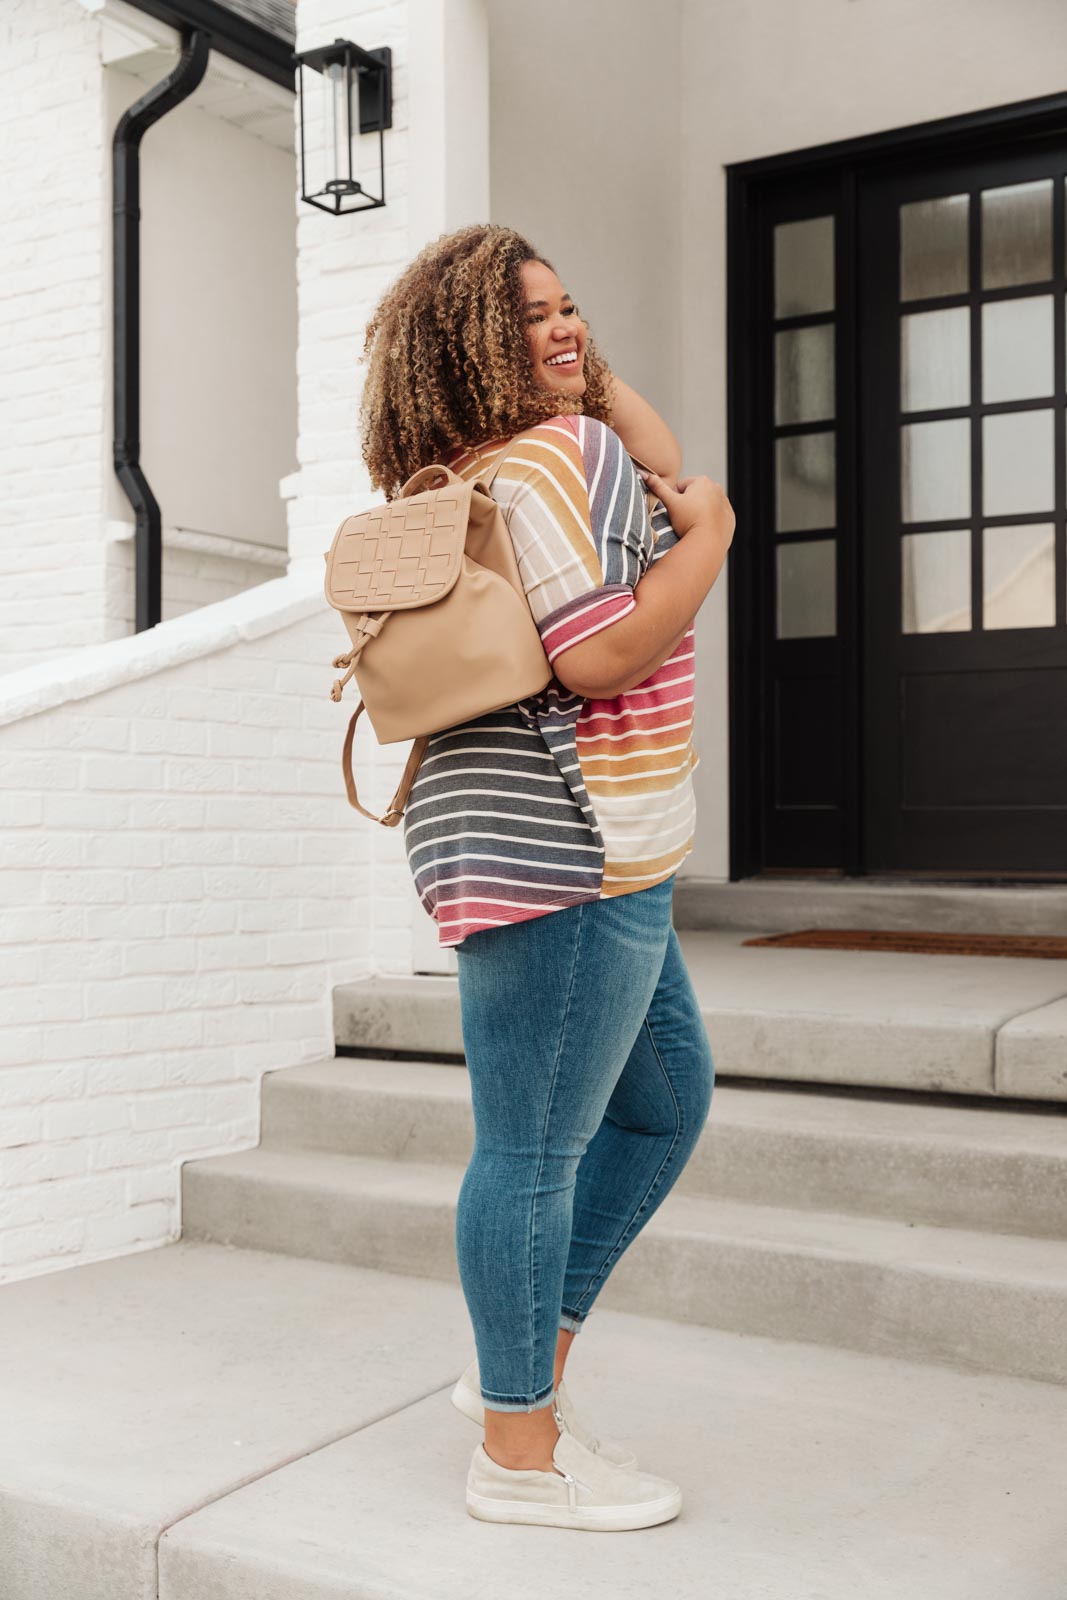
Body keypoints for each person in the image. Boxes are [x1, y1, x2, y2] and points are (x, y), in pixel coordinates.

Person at [358, 224, 735, 1531]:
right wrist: (716, 541)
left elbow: (660, 459)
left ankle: (523, 1364)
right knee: (531, 1149)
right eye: (528, 319)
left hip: (563, 844)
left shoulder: (490, 467)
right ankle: (519, 1455)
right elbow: (600, 655)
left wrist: (583, 356)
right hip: (571, 850)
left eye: (571, 308)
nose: (565, 334)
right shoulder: (553, 461)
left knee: (666, 1101)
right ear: (472, 345)